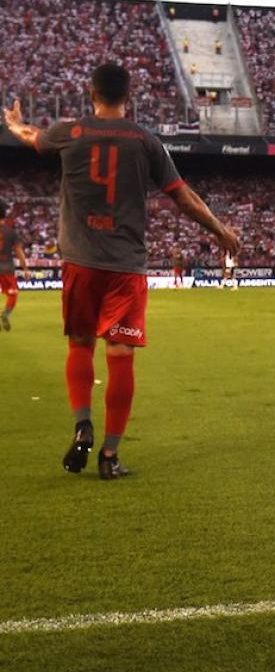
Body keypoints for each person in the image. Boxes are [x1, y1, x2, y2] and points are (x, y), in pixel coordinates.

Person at [3, 63, 240, 480]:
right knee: (121, 355)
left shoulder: (69, 131)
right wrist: (220, 229)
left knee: (79, 345)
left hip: (79, 262)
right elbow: (182, 197)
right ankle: (110, 455)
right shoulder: (146, 141)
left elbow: (30, 137)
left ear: (90, 93)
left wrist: (15, 122)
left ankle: (82, 423)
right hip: (125, 268)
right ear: (127, 96)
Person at [0, 202, 31, 331]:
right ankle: (5, 314)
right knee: (13, 294)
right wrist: (25, 269)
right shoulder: (10, 232)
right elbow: (19, 251)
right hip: (6, 269)